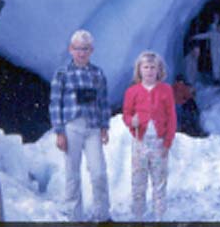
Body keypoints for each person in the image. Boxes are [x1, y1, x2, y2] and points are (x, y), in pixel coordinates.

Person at [48, 29, 111, 222]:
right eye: (77, 48)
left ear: (91, 50)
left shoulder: (97, 73)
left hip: (92, 128)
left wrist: (104, 127)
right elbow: (55, 103)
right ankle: (75, 216)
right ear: (70, 49)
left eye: (85, 49)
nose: (81, 53)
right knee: (72, 173)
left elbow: (103, 102)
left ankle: (102, 215)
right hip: (71, 127)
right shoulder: (62, 74)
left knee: (98, 172)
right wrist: (59, 132)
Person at [122, 51, 177, 222]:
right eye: (145, 67)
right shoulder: (132, 91)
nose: (149, 71)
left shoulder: (166, 90)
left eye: (153, 67)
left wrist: (167, 142)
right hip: (140, 142)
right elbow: (126, 114)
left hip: (159, 143)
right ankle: (138, 217)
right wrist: (132, 121)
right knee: (138, 183)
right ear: (139, 70)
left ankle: (159, 217)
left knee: (159, 183)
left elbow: (171, 117)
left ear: (159, 70)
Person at [191, 13, 220, 83]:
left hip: (219, 49)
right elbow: (203, 36)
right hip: (214, 49)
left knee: (219, 63)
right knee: (215, 63)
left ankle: (218, 77)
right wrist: (195, 37)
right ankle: (216, 78)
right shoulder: (212, 33)